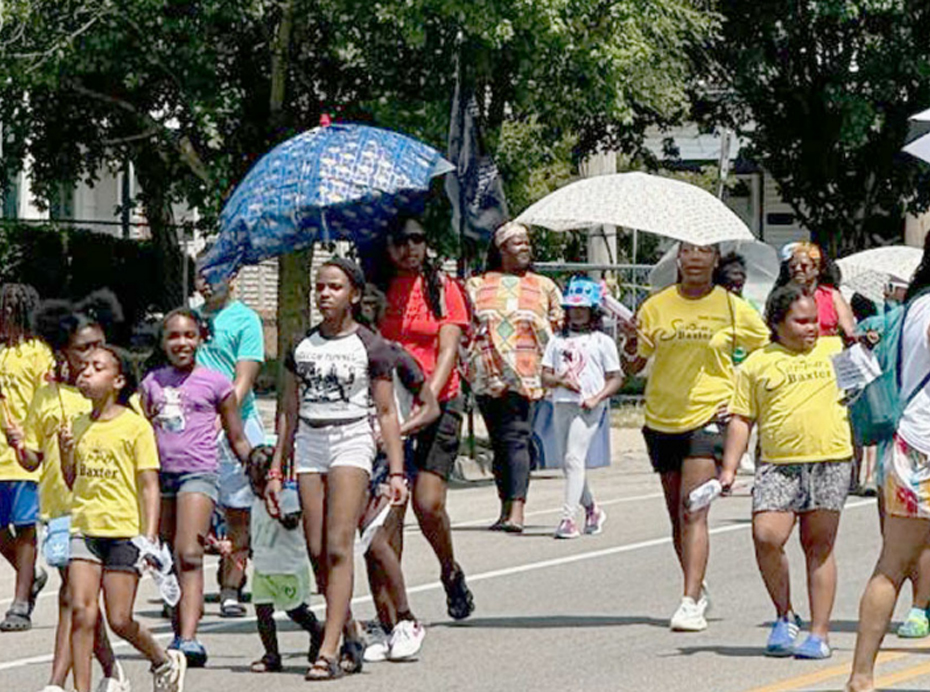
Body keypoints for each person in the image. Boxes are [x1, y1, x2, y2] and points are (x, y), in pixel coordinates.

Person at [265, 258, 407, 681]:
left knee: (339, 544)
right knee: (315, 550)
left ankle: (326, 651)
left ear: (354, 295)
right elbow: (288, 413)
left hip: (352, 440)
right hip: (310, 440)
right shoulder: (301, 347)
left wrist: (396, 471)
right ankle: (349, 630)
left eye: (335, 287)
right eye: (320, 287)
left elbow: (386, 412)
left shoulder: (371, 346)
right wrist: (276, 471)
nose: (325, 294)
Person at [619, 242, 769, 632]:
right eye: (689, 251)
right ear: (679, 259)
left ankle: (688, 603)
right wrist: (631, 341)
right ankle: (697, 586)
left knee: (693, 509)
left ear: (715, 260)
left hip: (709, 415)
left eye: (705, 252)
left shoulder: (733, 309)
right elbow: (633, 364)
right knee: (676, 516)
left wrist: (737, 394)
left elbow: (765, 350)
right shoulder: (656, 306)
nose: (697, 258)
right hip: (662, 418)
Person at [720, 284, 852, 659]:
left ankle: (819, 634)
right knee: (766, 536)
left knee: (819, 546)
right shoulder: (756, 365)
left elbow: (863, 388)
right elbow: (742, 418)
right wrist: (729, 467)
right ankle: (784, 614)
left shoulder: (834, 350)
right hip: (779, 466)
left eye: (815, 320)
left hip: (831, 460)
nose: (812, 328)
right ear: (777, 323)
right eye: (802, 321)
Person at [13, 294, 127, 691]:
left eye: (98, 346)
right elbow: (31, 460)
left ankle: (67, 680)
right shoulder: (46, 398)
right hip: (60, 510)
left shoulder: (109, 394)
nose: (91, 355)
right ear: (63, 351)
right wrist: (17, 444)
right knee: (76, 601)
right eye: (83, 349)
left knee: (79, 602)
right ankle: (103, 674)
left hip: (103, 511)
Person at [59, 345, 186, 692]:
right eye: (84, 367)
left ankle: (162, 659)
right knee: (82, 613)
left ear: (118, 380)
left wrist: (148, 539)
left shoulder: (135, 427)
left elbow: (149, 486)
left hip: (124, 533)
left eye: (96, 368)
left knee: (119, 619)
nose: (86, 372)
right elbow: (73, 481)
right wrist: (66, 452)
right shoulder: (77, 425)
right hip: (85, 529)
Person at [140, 308, 257, 667]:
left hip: (199, 474)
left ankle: (189, 638)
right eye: (173, 336)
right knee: (169, 559)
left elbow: (237, 437)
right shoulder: (152, 383)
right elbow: (140, 434)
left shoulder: (216, 383)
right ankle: (179, 631)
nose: (182, 343)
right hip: (162, 479)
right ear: (163, 342)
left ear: (201, 338)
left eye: (189, 335)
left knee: (189, 553)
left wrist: (259, 469)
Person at [372, 216, 475, 619]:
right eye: (401, 240)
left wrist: (427, 394)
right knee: (391, 507)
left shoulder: (442, 287)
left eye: (417, 239)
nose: (410, 248)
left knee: (427, 503)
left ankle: (449, 571)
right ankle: (396, 611)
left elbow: (448, 347)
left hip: (438, 399)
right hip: (390, 404)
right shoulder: (375, 289)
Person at [846, 249, 930, 692]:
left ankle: (861, 675)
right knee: (893, 565)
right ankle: (860, 675)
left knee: (891, 565)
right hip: (924, 447)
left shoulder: (913, 305)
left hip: (913, 444)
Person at [358, 283, 440, 663]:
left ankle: (406, 620)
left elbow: (430, 406)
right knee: (362, 546)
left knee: (380, 541)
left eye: (374, 306)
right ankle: (383, 622)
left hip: (387, 457)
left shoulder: (393, 354)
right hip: (345, 455)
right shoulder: (328, 353)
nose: (367, 312)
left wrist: (396, 432)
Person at [466, 222, 563, 532]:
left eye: (526, 242)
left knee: (517, 436)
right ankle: (505, 505)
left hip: (527, 373)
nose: (524, 247)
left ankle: (518, 509)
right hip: (487, 373)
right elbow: (467, 325)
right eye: (516, 243)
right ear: (501, 249)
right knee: (499, 441)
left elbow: (558, 325)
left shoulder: (544, 286)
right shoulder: (477, 285)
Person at [194, 269, 266, 618]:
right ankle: (183, 587)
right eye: (200, 275)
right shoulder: (188, 319)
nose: (206, 283)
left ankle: (231, 587)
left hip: (236, 423)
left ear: (232, 277)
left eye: (215, 274)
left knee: (239, 510)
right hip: (194, 426)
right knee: (193, 509)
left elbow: (244, 378)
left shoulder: (246, 320)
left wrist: (223, 416)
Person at [540, 276, 622, 539]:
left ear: (592, 310)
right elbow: (545, 375)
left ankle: (568, 518)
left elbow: (616, 378)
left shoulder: (602, 341)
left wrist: (597, 398)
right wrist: (561, 380)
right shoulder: (556, 341)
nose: (576, 313)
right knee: (569, 462)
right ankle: (592, 509)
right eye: (572, 308)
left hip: (589, 406)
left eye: (582, 308)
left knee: (575, 458)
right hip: (562, 403)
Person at [0, 283, 54, 631]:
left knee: (24, 528)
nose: (5, 314)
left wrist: (35, 442)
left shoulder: (39, 353)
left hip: (22, 455)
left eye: (12, 308)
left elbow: (46, 402)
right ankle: (29, 574)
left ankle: (20, 603)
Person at [245, 446, 323, 674]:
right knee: (262, 610)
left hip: (287, 567)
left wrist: (279, 514)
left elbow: (292, 522)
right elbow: (254, 531)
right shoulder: (255, 503)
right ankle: (271, 655)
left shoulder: (290, 497)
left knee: (295, 610)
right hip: (263, 568)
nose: (258, 489)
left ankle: (318, 631)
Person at [776, 242, 856, 339]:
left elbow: (848, 330)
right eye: (793, 267)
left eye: (804, 266)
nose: (798, 269)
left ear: (817, 269)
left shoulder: (831, 296)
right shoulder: (782, 297)